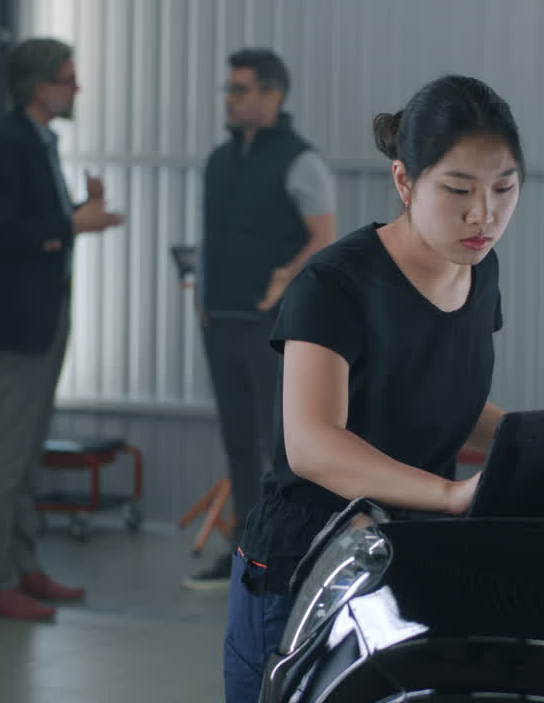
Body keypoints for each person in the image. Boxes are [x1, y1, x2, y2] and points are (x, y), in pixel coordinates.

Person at [222, 74, 524, 700]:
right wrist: (449, 493)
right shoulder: (335, 284)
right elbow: (312, 445)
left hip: (405, 560)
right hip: (305, 573)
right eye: (459, 190)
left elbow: (444, 400)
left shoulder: (480, 267)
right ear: (404, 181)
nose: (483, 214)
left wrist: (535, 440)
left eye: (504, 189)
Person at [0, 38, 123, 621]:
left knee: (30, 449)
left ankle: (24, 565)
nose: (75, 88)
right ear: (40, 87)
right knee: (9, 455)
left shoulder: (41, 141)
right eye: (67, 78)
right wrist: (72, 221)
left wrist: (82, 213)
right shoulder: (7, 144)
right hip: (21, 320)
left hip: (46, 312)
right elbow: (3, 232)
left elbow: (50, 224)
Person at [184, 49, 337, 591]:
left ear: (272, 95)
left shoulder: (300, 161)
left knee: (276, 444)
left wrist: (282, 280)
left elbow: (322, 236)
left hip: (267, 325)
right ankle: (242, 555)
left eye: (240, 89)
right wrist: (202, 294)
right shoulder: (220, 159)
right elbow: (210, 235)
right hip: (219, 318)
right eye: (228, 89)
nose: (229, 98)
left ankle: (285, 559)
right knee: (237, 442)